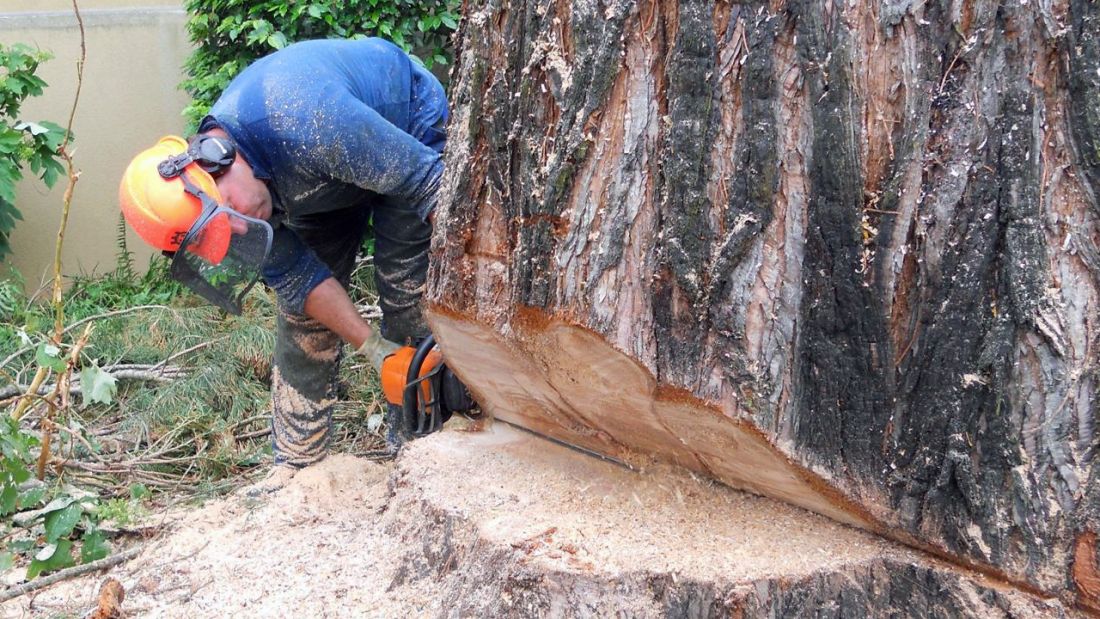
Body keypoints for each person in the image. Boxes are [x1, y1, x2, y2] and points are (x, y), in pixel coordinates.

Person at [119, 38, 448, 491]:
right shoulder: (234, 210)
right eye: (220, 234)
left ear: (219, 160)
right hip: (313, 177)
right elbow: (302, 280)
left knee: (406, 293)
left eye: (229, 216)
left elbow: (433, 187)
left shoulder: (305, 119)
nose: (237, 231)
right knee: (299, 314)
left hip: (403, 125)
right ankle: (298, 464)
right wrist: (375, 350)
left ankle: (420, 448)